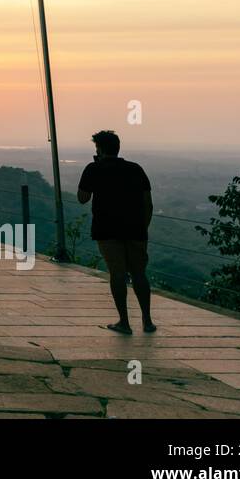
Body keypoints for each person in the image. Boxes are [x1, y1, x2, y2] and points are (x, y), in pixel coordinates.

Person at [77, 129, 157, 334]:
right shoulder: (135, 169)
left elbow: (82, 198)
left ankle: (124, 322)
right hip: (136, 229)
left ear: (100, 149)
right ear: (117, 147)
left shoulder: (93, 169)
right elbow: (148, 203)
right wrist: (143, 227)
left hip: (107, 229)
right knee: (139, 274)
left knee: (117, 274)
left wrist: (96, 168)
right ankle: (147, 321)